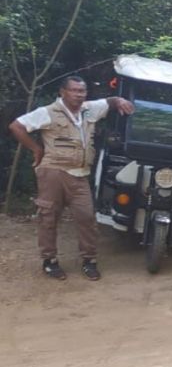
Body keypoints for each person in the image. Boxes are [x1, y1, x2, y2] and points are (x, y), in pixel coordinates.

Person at [8, 76, 135, 280]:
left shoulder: (89, 109)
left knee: (87, 218)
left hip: (80, 175)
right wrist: (36, 149)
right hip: (54, 172)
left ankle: (89, 261)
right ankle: (49, 261)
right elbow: (16, 126)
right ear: (62, 92)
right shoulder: (47, 112)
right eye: (74, 90)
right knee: (48, 218)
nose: (78, 94)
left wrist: (118, 100)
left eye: (82, 91)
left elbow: (109, 102)